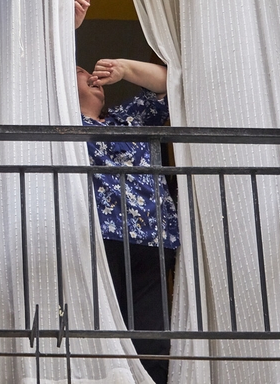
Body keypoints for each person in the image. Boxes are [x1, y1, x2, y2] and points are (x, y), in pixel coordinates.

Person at [77, 58, 179, 383]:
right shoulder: (62, 122)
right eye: (78, 73)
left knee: (152, 339)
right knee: (105, 338)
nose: (90, 75)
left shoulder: (126, 119)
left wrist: (123, 69)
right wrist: (66, 26)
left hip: (152, 240)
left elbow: (166, 82)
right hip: (99, 241)